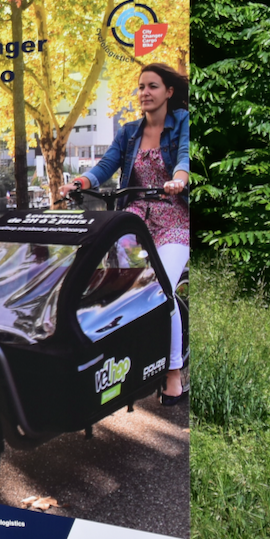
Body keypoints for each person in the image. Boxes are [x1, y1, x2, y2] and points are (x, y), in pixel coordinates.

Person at [61, 63, 190, 404]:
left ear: (169, 92)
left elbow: (184, 158)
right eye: (141, 87)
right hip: (134, 219)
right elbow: (106, 165)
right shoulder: (129, 132)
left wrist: (179, 180)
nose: (145, 93)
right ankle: (123, 362)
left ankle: (174, 373)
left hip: (173, 219)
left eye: (153, 86)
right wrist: (80, 182)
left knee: (162, 291)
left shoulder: (182, 125)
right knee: (119, 289)